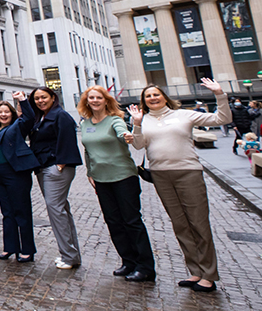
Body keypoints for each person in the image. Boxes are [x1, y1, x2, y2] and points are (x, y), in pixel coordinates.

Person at [128, 79, 231, 293]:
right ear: (144, 101)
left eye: (156, 94)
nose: (153, 98)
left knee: (198, 223)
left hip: (188, 173)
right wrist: (136, 125)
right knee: (180, 224)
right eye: (148, 96)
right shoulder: (142, 119)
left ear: (164, 97)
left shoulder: (183, 115)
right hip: (160, 175)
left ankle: (209, 275)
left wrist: (219, 94)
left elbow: (223, 118)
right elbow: (139, 145)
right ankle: (195, 271)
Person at [78, 86, 155, 282]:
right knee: (113, 222)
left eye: (98, 98)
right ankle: (128, 261)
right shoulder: (85, 124)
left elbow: (123, 133)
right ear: (87, 102)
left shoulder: (115, 120)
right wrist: (90, 173)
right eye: (91, 98)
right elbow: (88, 151)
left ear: (106, 101)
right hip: (101, 179)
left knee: (131, 220)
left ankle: (145, 267)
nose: (95, 101)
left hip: (123, 176)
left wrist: (128, 135)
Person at [29, 86, 83, 270]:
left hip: (56, 168)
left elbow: (68, 139)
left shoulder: (61, 115)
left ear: (53, 97)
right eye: (36, 99)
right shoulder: (40, 117)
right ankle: (72, 254)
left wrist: (60, 165)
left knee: (56, 211)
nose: (40, 101)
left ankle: (68, 256)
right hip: (44, 167)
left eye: (43, 97)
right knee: (62, 210)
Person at [0, 92, 38, 262]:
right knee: (7, 213)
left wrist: (22, 100)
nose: (3, 114)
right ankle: (10, 247)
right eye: (0, 112)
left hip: (16, 174)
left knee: (21, 211)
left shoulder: (17, 127)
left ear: (12, 114)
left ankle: (27, 250)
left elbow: (30, 117)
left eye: (6, 112)